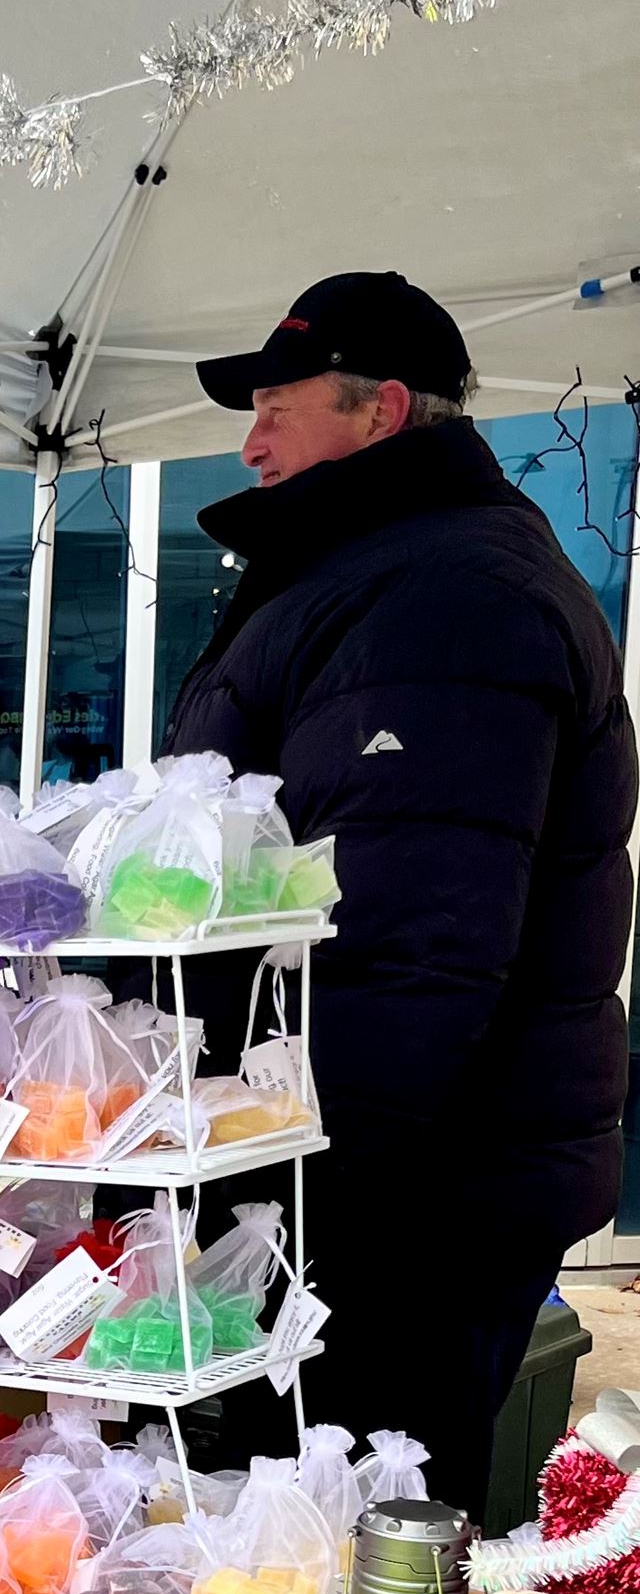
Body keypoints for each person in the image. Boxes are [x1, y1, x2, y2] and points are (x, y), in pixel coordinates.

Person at [167, 272, 637, 1518]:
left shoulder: (444, 595)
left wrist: (293, 1195)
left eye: (277, 406)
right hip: (362, 1175)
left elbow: (405, 944)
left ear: (378, 413)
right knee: (287, 1539)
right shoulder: (363, 570)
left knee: (343, 1547)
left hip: (402, 1197)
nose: (251, 439)